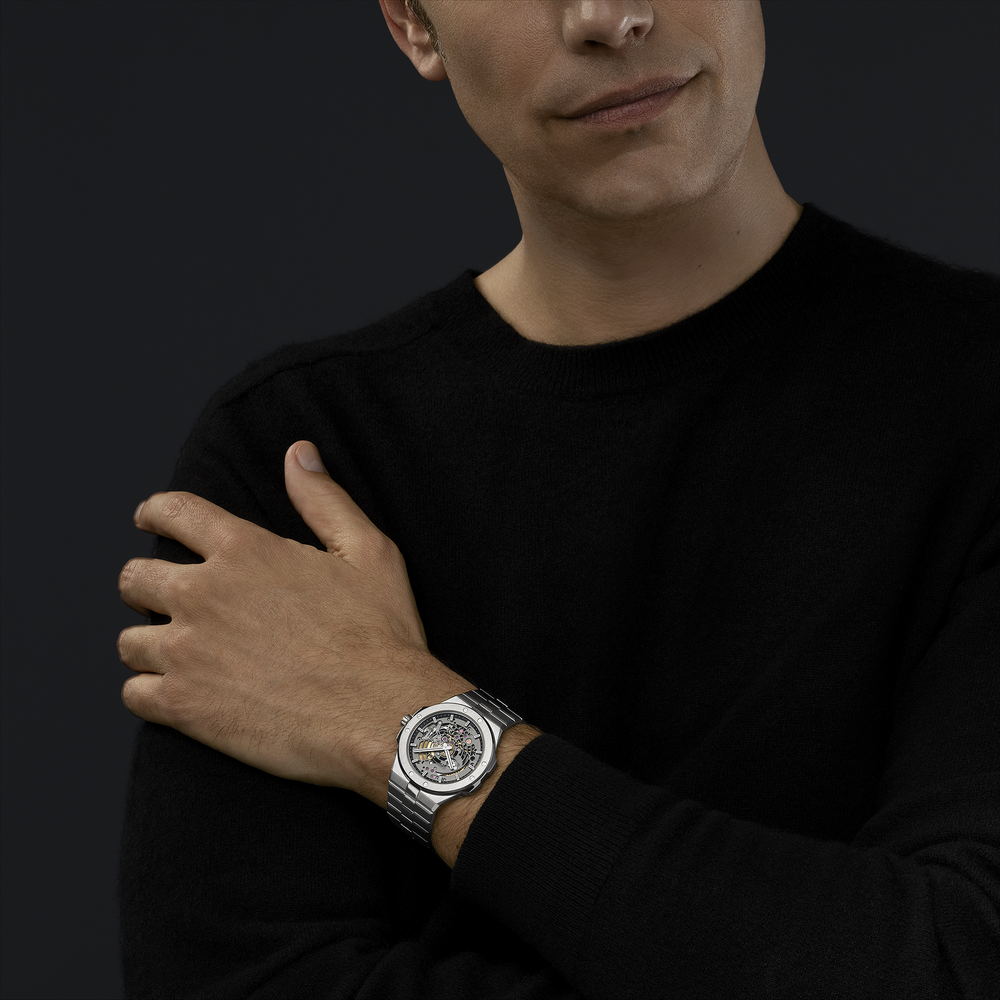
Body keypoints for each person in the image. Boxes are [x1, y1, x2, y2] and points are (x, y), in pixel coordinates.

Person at [116, 1, 999, 997]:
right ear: (413, 24)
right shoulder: (301, 457)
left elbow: (953, 960)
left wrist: (401, 717)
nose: (608, 16)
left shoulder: (976, 400)